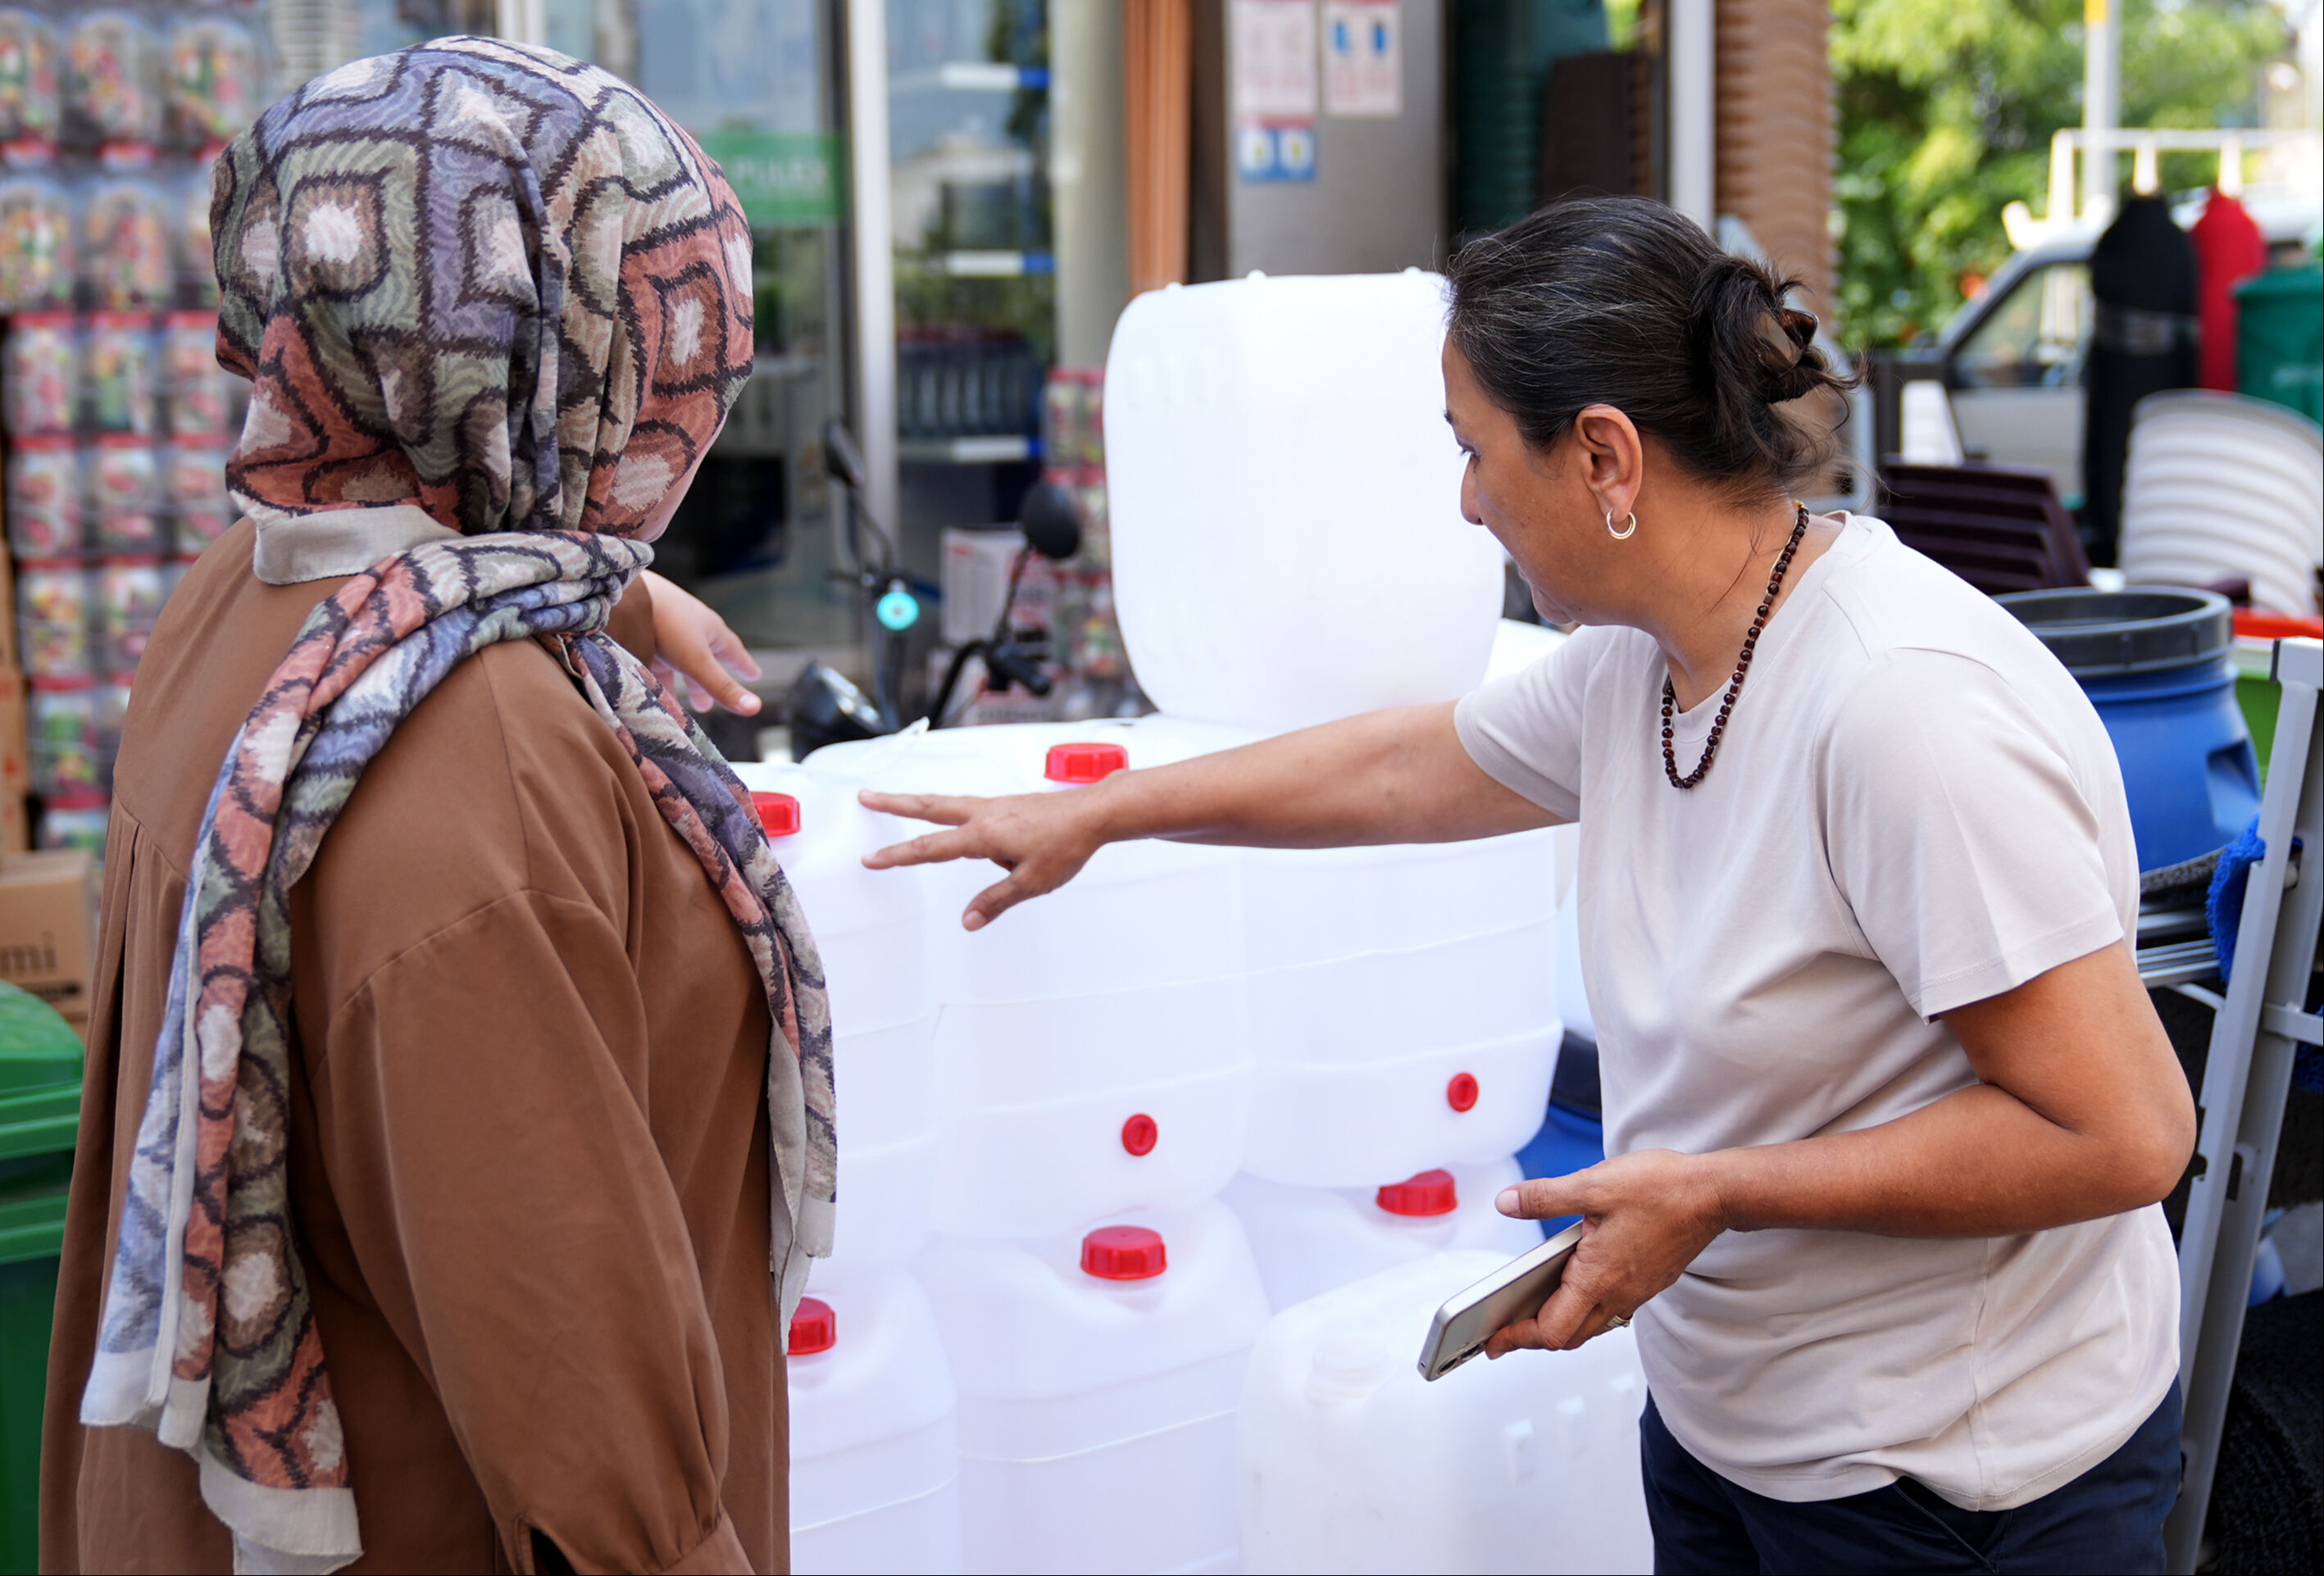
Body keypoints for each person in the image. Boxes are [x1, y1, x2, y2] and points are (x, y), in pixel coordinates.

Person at [860, 198, 2196, 1574]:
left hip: (1952, 1481)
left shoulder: (1904, 713)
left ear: (1606, 456)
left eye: (1476, 451)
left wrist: (1715, 1190)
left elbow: (2122, 1135)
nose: (1465, 499)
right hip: (1732, 1426)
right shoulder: (1652, 659)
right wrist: (1100, 815)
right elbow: (1400, 769)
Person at [42, 39, 828, 1574]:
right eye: (663, 353)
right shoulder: (479, 755)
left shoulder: (239, 610)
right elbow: (579, 1419)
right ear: (548, 355)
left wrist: (585, 590)